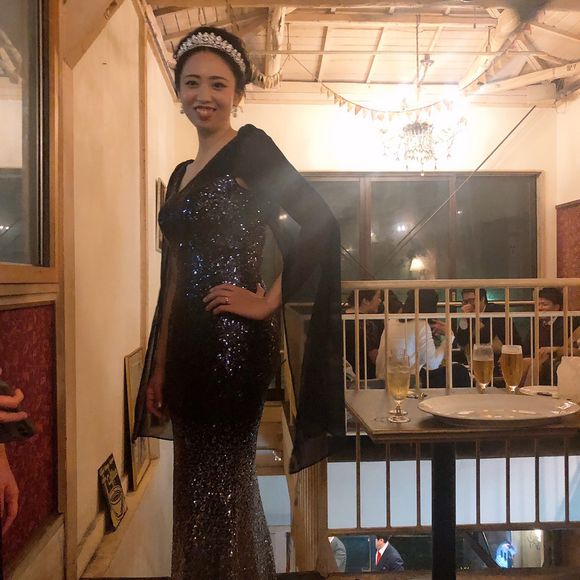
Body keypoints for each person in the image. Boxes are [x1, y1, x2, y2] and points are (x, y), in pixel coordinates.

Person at [132, 27, 344, 579]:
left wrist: (268, 301)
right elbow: (175, 273)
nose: (204, 95)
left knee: (223, 485)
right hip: (185, 346)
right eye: (192, 83)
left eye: (218, 84)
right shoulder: (180, 174)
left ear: (237, 94)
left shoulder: (250, 147)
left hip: (234, 346)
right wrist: (159, 365)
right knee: (196, 488)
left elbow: (321, 224)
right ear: (179, 91)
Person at [375, 289, 455, 384]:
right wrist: (449, 336)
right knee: (458, 371)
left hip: (382, 379)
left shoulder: (391, 321)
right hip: (406, 382)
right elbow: (432, 364)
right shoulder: (421, 325)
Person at [455, 288, 522, 370]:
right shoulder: (469, 315)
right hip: (480, 357)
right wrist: (464, 318)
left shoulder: (497, 311)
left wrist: (474, 318)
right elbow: (461, 341)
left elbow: (486, 337)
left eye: (472, 300)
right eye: (465, 302)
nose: (468, 305)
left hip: (506, 356)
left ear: (482, 299)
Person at [344, 290, 382, 380]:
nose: (380, 301)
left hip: (346, 377)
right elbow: (374, 357)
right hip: (366, 377)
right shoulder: (366, 324)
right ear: (365, 301)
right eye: (378, 297)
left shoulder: (341, 318)